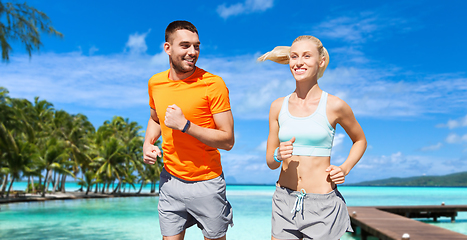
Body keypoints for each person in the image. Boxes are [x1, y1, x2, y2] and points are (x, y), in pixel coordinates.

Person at [258, 35, 367, 240]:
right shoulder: (277, 106)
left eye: (307, 56)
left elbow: (360, 140)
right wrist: (278, 153)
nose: (299, 62)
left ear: (321, 61)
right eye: (294, 57)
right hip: (284, 201)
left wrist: (344, 168)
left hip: (322, 206)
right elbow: (271, 162)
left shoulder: (335, 105)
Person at [143, 20, 235, 240]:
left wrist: (186, 126)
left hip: (207, 183)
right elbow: (155, 118)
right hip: (170, 181)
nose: (192, 52)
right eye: (185, 45)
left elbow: (227, 140)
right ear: (168, 48)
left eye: (196, 46)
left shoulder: (213, 84)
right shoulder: (155, 83)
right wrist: (148, 143)